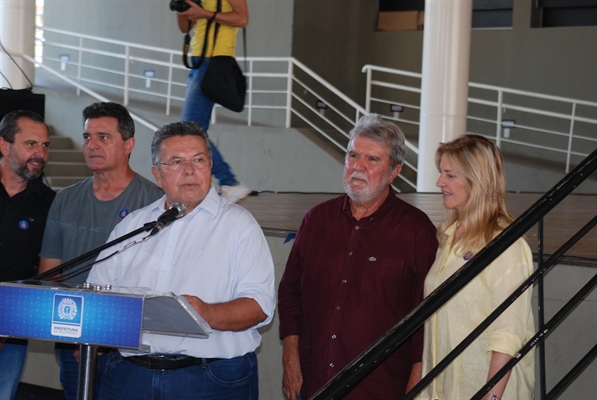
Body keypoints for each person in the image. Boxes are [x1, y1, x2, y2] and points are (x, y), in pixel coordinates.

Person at [86, 120, 275, 399]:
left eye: (198, 160)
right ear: (157, 175)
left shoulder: (239, 225)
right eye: (176, 161)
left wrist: (206, 313)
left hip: (209, 380)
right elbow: (96, 295)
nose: (189, 170)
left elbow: (260, 306)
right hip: (129, 376)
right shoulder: (132, 226)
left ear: (210, 167)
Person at [278, 114, 438, 399]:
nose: (357, 167)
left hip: (381, 389)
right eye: (353, 155)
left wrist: (417, 384)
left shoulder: (416, 230)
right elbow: (290, 292)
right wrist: (290, 358)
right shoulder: (316, 220)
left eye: (372, 160)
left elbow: (426, 316)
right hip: (314, 384)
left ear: (395, 171)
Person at [38, 102, 163, 400]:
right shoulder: (65, 199)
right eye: (86, 137)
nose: (92, 145)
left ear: (129, 144)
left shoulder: (156, 202)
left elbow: (160, 282)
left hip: (131, 345)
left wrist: (104, 335)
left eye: (103, 137)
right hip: (73, 338)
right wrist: (80, 332)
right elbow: (49, 275)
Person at [418, 134, 535, 399]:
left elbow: (508, 334)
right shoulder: (447, 238)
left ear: (477, 180)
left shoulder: (506, 246)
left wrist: (490, 396)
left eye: (450, 175)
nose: (439, 182)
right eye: (440, 173)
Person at [0, 110, 55, 400]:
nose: (40, 153)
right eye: (31, 144)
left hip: (11, 331)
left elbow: (46, 271)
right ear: (4, 145)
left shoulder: (50, 204)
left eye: (45, 145)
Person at [176, 0, 252, 203]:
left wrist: (203, 12)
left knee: (189, 129)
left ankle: (230, 182)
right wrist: (183, 9)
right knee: (193, 130)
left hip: (214, 62)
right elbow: (185, 27)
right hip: (198, 61)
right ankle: (226, 183)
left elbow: (242, 19)